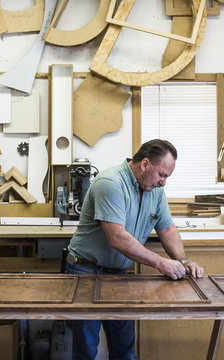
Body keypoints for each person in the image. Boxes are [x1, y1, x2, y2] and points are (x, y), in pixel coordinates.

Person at [64, 139, 204, 360]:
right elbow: (117, 238)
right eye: (162, 175)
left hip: (118, 275)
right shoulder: (111, 182)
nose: (163, 182)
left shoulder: (155, 191)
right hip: (86, 272)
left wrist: (184, 262)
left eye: (167, 177)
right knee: (86, 351)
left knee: (125, 350)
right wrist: (161, 263)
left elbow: (167, 228)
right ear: (145, 164)